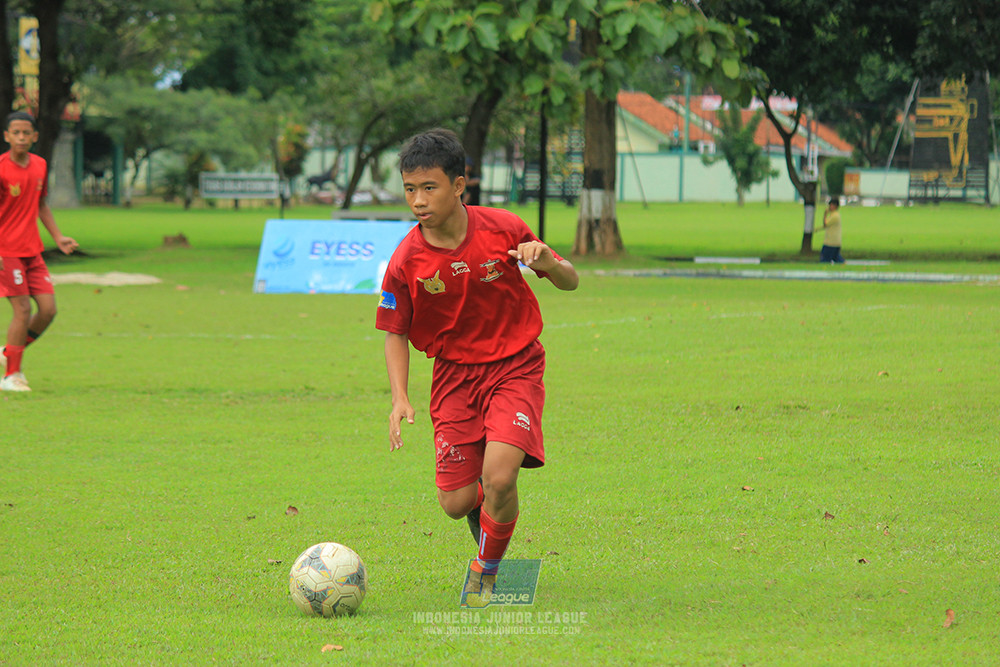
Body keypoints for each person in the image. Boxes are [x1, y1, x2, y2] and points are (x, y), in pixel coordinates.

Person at [376, 129, 578, 602]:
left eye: (430, 188)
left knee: (501, 476)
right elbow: (394, 331)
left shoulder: (504, 228)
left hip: (515, 366)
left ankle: (486, 570)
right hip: (454, 378)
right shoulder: (407, 259)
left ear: (460, 185)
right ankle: (488, 507)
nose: (418, 201)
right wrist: (400, 397)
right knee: (456, 503)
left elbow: (569, 281)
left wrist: (548, 261)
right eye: (410, 189)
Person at [0, 111, 78, 392]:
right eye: (15, 133)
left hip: (32, 251)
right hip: (6, 251)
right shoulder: (0, 169)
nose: (21, 138)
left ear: (35, 136)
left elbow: (40, 204)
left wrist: (58, 237)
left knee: (47, 311)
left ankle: (9, 351)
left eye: (26, 133)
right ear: (6, 136)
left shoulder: (40, 165)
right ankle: (12, 375)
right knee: (22, 310)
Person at [818, 197, 845, 264]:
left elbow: (825, 224)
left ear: (835, 206)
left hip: (830, 242)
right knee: (837, 258)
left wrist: (825, 214)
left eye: (831, 205)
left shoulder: (835, 216)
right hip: (835, 242)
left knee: (824, 259)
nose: (829, 207)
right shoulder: (834, 215)